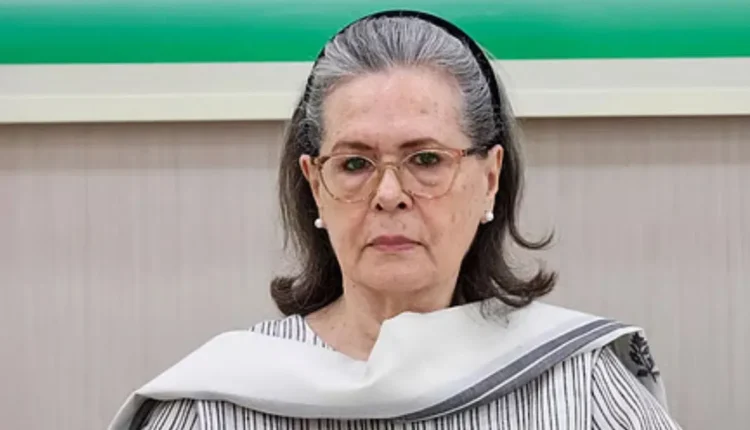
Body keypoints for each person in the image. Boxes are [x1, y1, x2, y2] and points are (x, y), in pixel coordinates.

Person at [109, 9, 682, 430]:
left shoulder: (581, 388)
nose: (389, 194)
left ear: (490, 178)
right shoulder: (213, 404)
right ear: (315, 185)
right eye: (355, 163)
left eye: (425, 160)